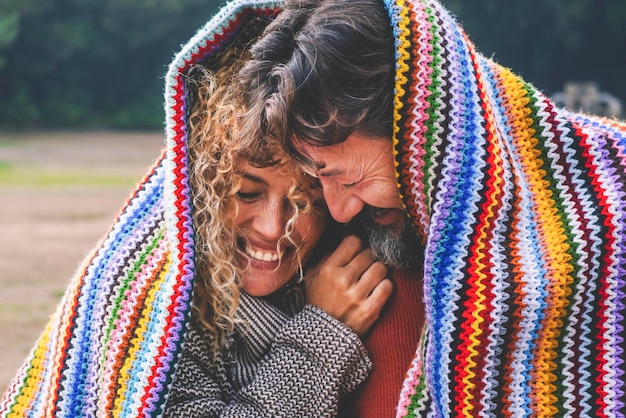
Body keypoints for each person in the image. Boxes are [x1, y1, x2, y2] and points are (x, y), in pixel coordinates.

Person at [0, 3, 393, 417]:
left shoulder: (337, 268)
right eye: (246, 193)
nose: (273, 226)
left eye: (304, 202)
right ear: (203, 182)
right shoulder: (148, 303)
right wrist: (321, 334)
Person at [239, 0, 626, 417]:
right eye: (319, 181)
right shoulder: (345, 259)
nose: (339, 210)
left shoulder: (608, 211)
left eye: (351, 179)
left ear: (426, 139)